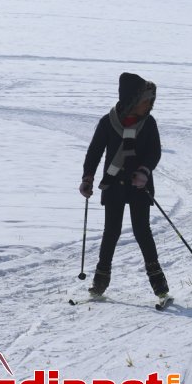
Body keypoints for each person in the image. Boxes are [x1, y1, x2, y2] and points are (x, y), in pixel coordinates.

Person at [79, 72, 169, 299]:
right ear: (131, 100)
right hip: (114, 185)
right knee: (111, 232)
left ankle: (160, 287)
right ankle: (99, 284)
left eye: (151, 101)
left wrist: (144, 171)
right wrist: (87, 178)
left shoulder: (148, 123)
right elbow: (94, 152)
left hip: (139, 186)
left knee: (142, 231)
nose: (149, 105)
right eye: (145, 101)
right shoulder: (108, 122)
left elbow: (154, 152)